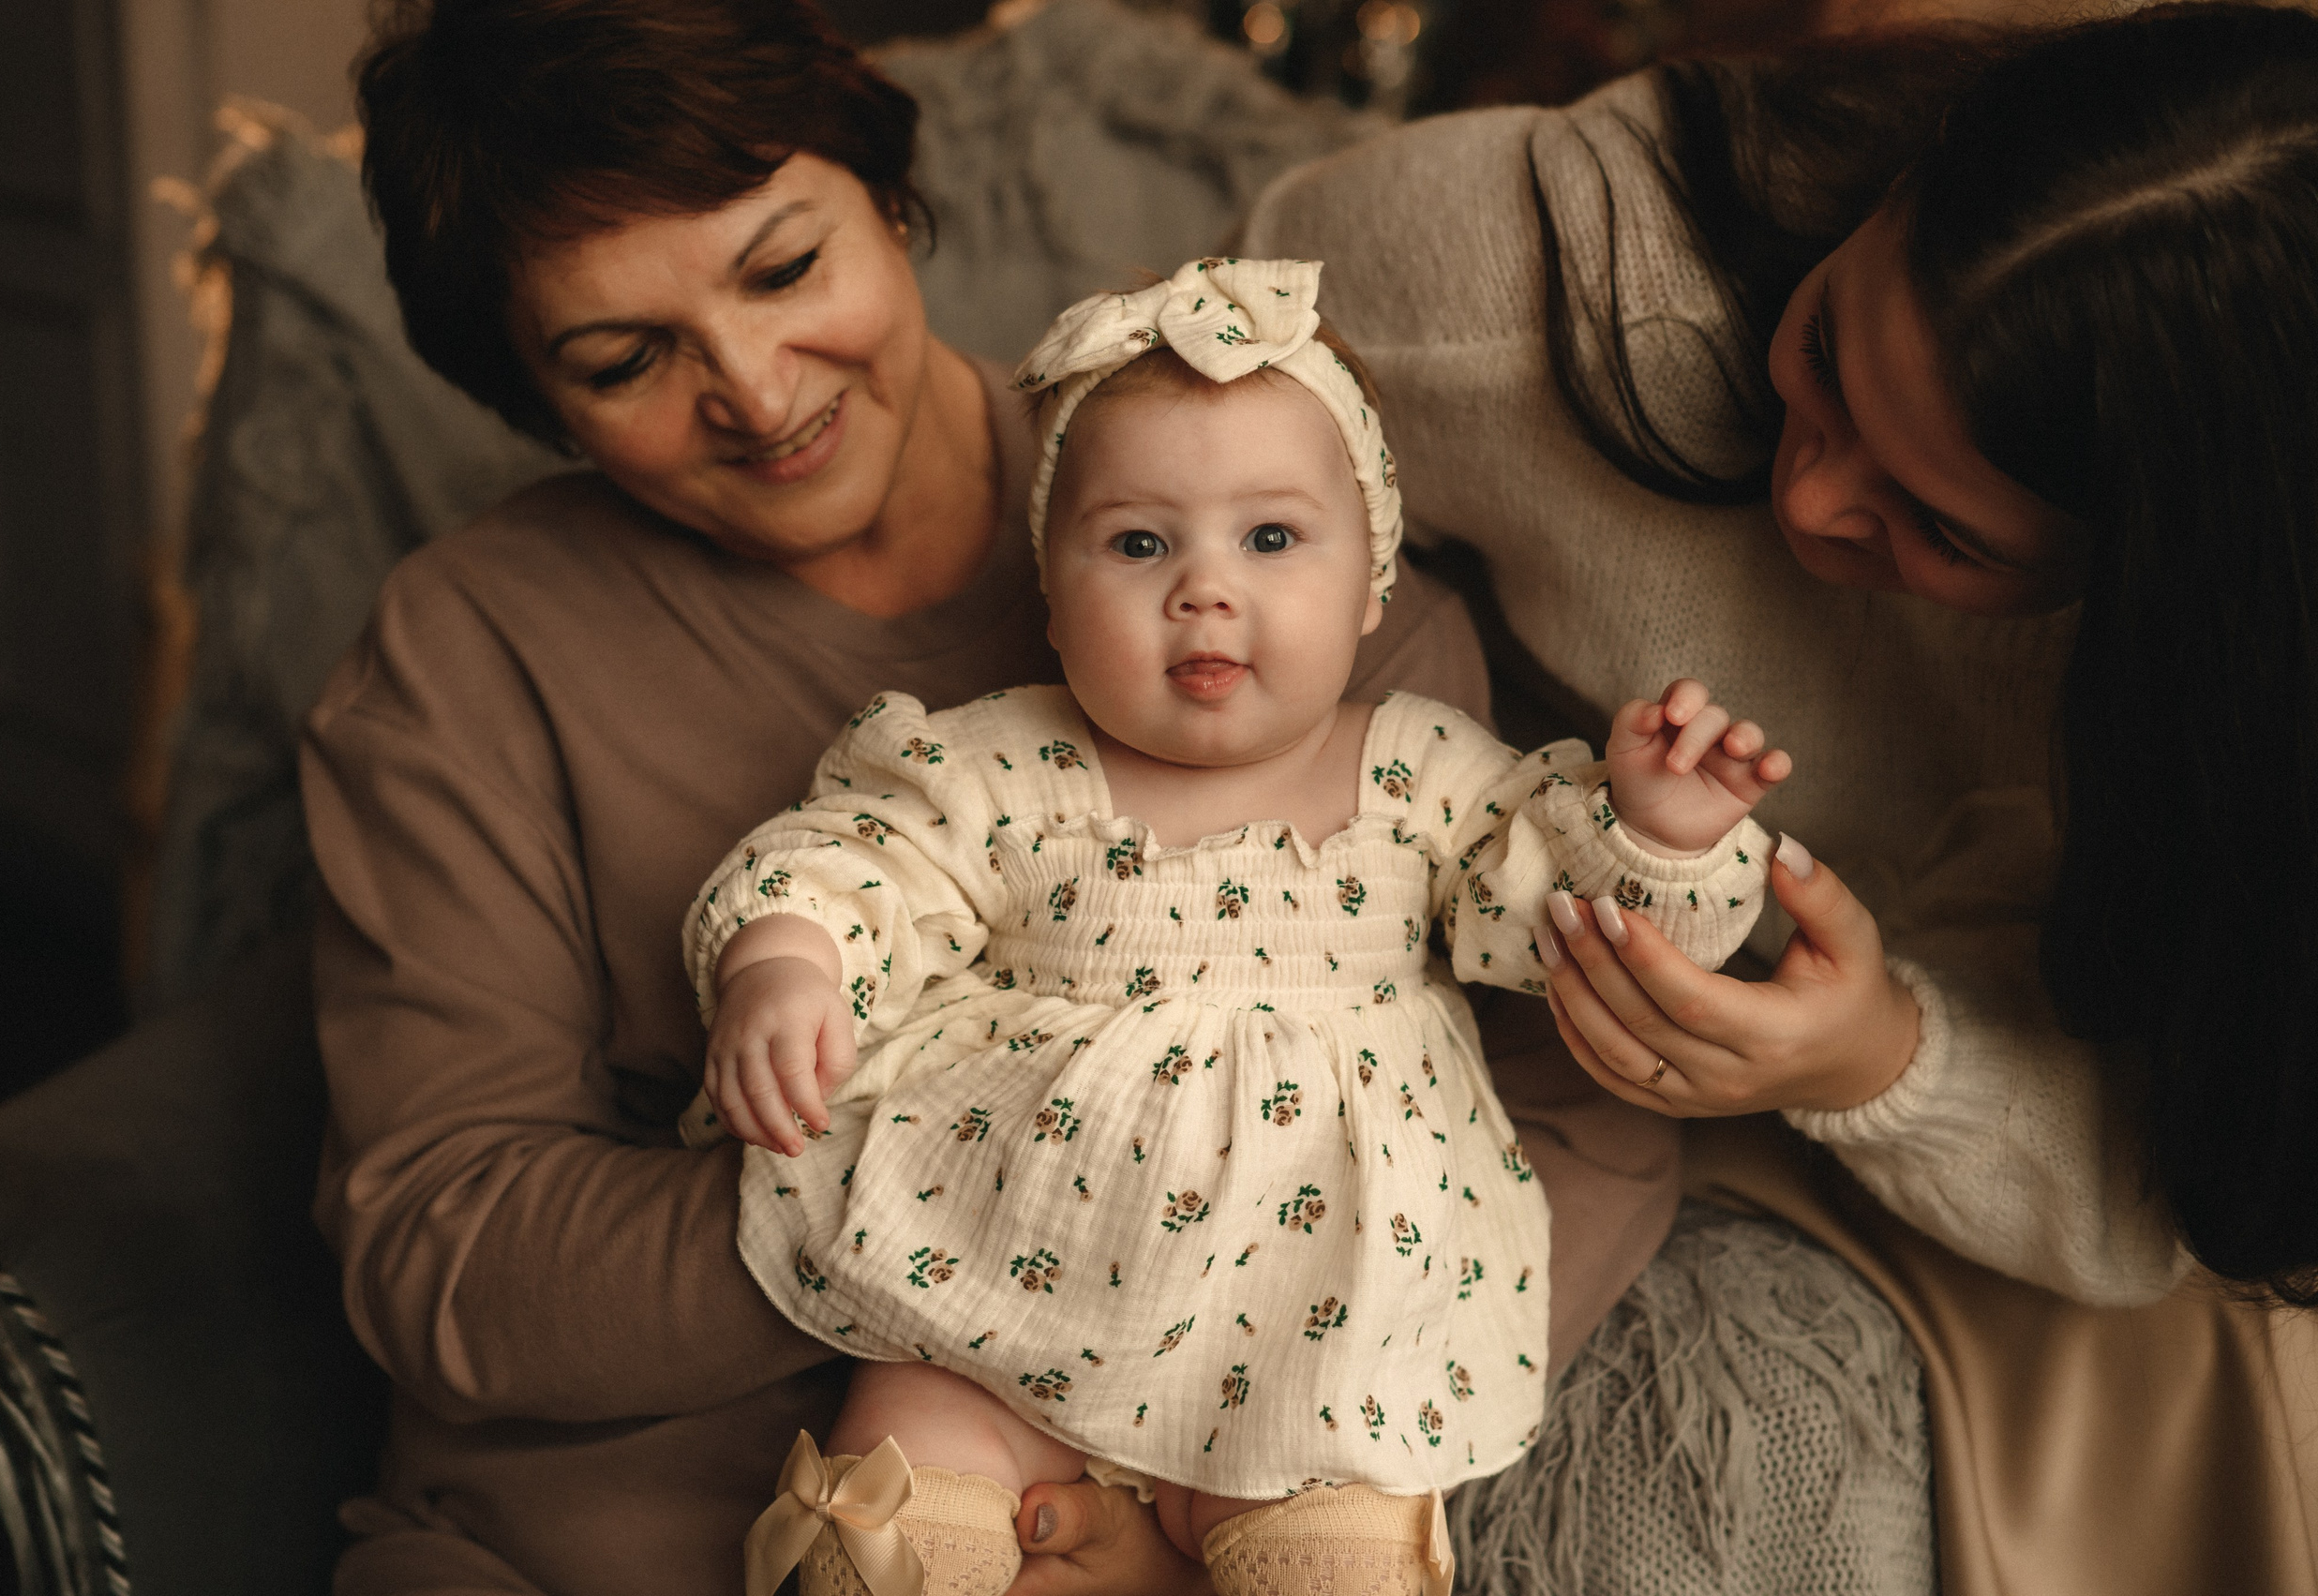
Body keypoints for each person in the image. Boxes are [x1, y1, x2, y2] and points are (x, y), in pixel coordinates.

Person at [310, 7, 1635, 1595]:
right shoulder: (472, 648)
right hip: (589, 1538)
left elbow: (1576, 1106)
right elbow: (445, 1255)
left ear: (889, 190)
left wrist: (1227, 1458)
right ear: (533, 405)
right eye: (623, 359)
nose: (752, 387)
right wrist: (1007, 1220)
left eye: (786, 267)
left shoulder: (1305, 587)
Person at [1234, 3, 2318, 1588]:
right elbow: (1170, 418)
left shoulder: (2243, 730)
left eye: (1940, 532)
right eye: (1822, 352)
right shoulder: (1538, 280)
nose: (1806, 498)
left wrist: (1884, 1056)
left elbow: (2197, 1180)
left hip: (1961, 1128)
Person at [685, 260, 1787, 1594]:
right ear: (1050, 591)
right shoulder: (1003, 767)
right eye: (1140, 544)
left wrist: (1659, 831)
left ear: (1370, 583)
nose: (1204, 591)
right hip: (998, 1309)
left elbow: (1566, 921)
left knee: (1341, 1562)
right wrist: (786, 961)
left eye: (1270, 539)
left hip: (1314, 1358)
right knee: (892, 1529)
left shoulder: (1417, 774)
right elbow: (859, 863)